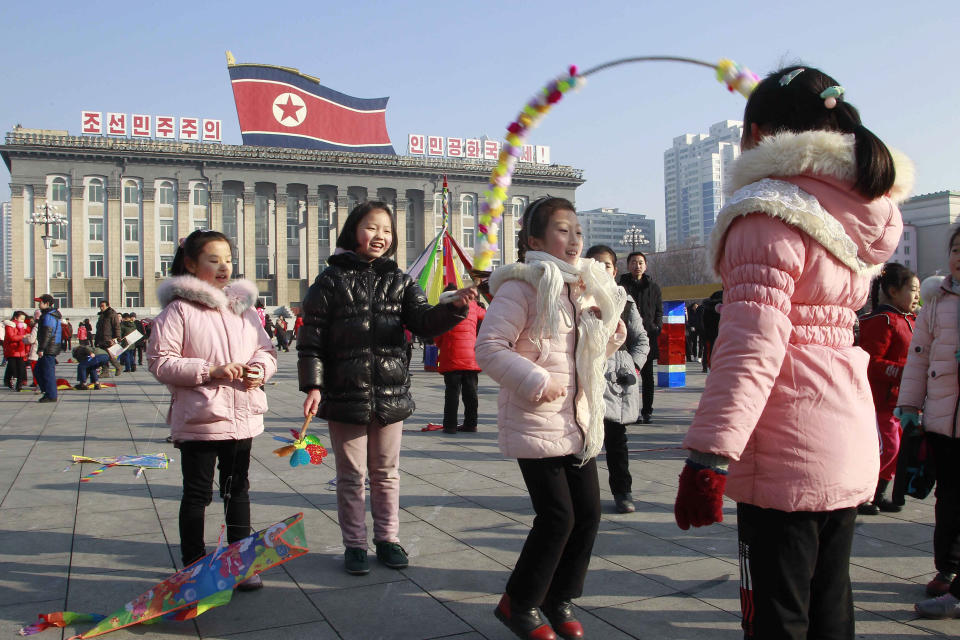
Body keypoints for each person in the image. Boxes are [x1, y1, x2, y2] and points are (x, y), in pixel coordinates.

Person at [673, 65, 910, 639]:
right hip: (844, 439)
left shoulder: (767, 211)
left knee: (776, 615)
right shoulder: (855, 212)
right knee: (830, 608)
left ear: (758, 132)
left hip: (785, 450)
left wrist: (708, 455)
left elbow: (752, 345)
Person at [476, 197, 627, 640]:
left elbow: (588, 357)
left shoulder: (581, 287)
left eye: (578, 231)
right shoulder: (522, 286)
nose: (575, 239)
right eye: (563, 230)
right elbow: (489, 348)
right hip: (537, 418)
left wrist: (609, 332)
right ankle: (518, 603)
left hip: (578, 420)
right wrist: (536, 380)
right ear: (535, 240)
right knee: (558, 515)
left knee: (589, 514)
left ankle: (559, 597)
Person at [298, 201, 474, 577]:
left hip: (391, 394)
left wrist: (456, 308)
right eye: (371, 228)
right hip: (344, 392)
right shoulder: (329, 281)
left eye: (387, 231)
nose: (380, 236)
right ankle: (355, 545)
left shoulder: (402, 281)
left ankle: (388, 539)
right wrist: (313, 385)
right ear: (352, 232)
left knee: (387, 473)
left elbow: (424, 323)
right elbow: (311, 339)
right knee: (350, 476)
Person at [147, 229, 276, 590]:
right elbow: (161, 362)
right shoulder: (179, 310)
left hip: (242, 417)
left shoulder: (244, 311)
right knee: (197, 494)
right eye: (213, 260)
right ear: (191, 264)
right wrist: (210, 371)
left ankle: (240, 562)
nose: (223, 267)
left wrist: (258, 370)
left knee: (238, 491)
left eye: (228, 261)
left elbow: (266, 351)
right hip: (202, 419)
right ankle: (193, 564)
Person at [900, 232, 960, 618]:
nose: (959, 258)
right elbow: (918, 357)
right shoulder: (936, 303)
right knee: (948, 500)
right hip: (941, 419)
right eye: (956, 250)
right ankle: (948, 568)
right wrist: (909, 404)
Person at [586, 244, 649, 514]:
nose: (601, 269)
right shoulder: (577, 298)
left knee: (616, 440)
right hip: (585, 376)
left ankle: (623, 491)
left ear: (614, 270)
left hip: (614, 380)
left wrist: (633, 365)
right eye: (596, 264)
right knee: (583, 441)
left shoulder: (626, 301)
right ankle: (584, 496)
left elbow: (641, 339)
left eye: (607, 265)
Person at [857, 263, 919, 516]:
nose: (917, 296)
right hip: (879, 401)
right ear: (893, 291)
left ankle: (878, 493)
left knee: (896, 449)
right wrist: (905, 372)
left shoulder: (910, 320)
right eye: (912, 289)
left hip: (900, 401)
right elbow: (872, 362)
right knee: (886, 447)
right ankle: (864, 494)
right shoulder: (882, 320)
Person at [435, 283, 486, 434]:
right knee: (471, 393)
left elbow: (438, 334)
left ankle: (450, 425)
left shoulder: (445, 310)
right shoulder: (474, 307)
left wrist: (441, 345)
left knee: (452, 393)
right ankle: (471, 424)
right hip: (471, 356)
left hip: (452, 356)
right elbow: (488, 317)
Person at [619, 251, 661, 423]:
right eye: (634, 262)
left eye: (640, 262)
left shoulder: (653, 287)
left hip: (648, 337)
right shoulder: (621, 286)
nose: (637, 265)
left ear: (646, 265)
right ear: (628, 265)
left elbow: (659, 310)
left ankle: (647, 410)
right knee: (629, 375)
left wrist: (656, 327)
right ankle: (631, 412)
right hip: (626, 338)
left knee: (648, 376)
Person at [34, 294, 64, 403]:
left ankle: (51, 395)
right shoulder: (48, 315)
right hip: (49, 347)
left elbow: (47, 333)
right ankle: (47, 392)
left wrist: (41, 348)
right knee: (38, 370)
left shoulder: (49, 316)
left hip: (48, 348)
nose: (38, 304)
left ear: (47, 304)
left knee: (47, 372)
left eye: (40, 302)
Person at [95, 300, 122, 376]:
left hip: (109, 338)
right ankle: (105, 371)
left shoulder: (112, 314)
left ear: (107, 306)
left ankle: (118, 367)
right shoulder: (101, 315)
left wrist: (117, 337)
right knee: (102, 356)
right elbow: (98, 328)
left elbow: (116, 326)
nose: (101, 308)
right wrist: (96, 339)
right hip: (101, 338)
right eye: (100, 306)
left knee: (110, 355)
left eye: (102, 306)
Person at [3, 311, 29, 391]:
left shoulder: (23, 327)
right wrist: (23, 336)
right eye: (21, 319)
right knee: (12, 368)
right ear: (15, 318)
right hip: (12, 350)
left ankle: (19, 385)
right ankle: (7, 380)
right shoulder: (10, 326)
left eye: (23, 319)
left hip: (21, 350)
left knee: (21, 368)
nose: (22, 321)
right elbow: (11, 337)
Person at [699, 291, 723, 373]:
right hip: (721, 334)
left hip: (709, 335)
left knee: (708, 351)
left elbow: (703, 321)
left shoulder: (706, 307)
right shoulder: (725, 307)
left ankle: (706, 366)